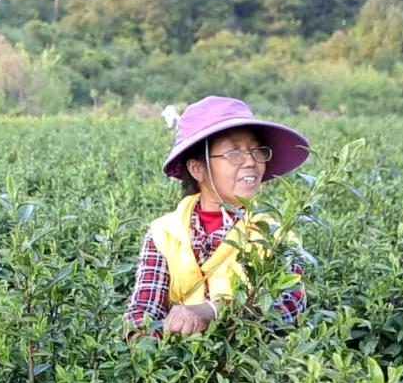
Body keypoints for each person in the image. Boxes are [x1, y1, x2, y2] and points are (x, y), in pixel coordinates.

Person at [126, 96, 308, 339]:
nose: (251, 162)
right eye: (234, 153)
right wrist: (150, 347)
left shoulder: (276, 235)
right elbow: (143, 310)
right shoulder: (164, 232)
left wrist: (212, 311)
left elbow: (289, 307)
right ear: (197, 168)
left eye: (257, 151)